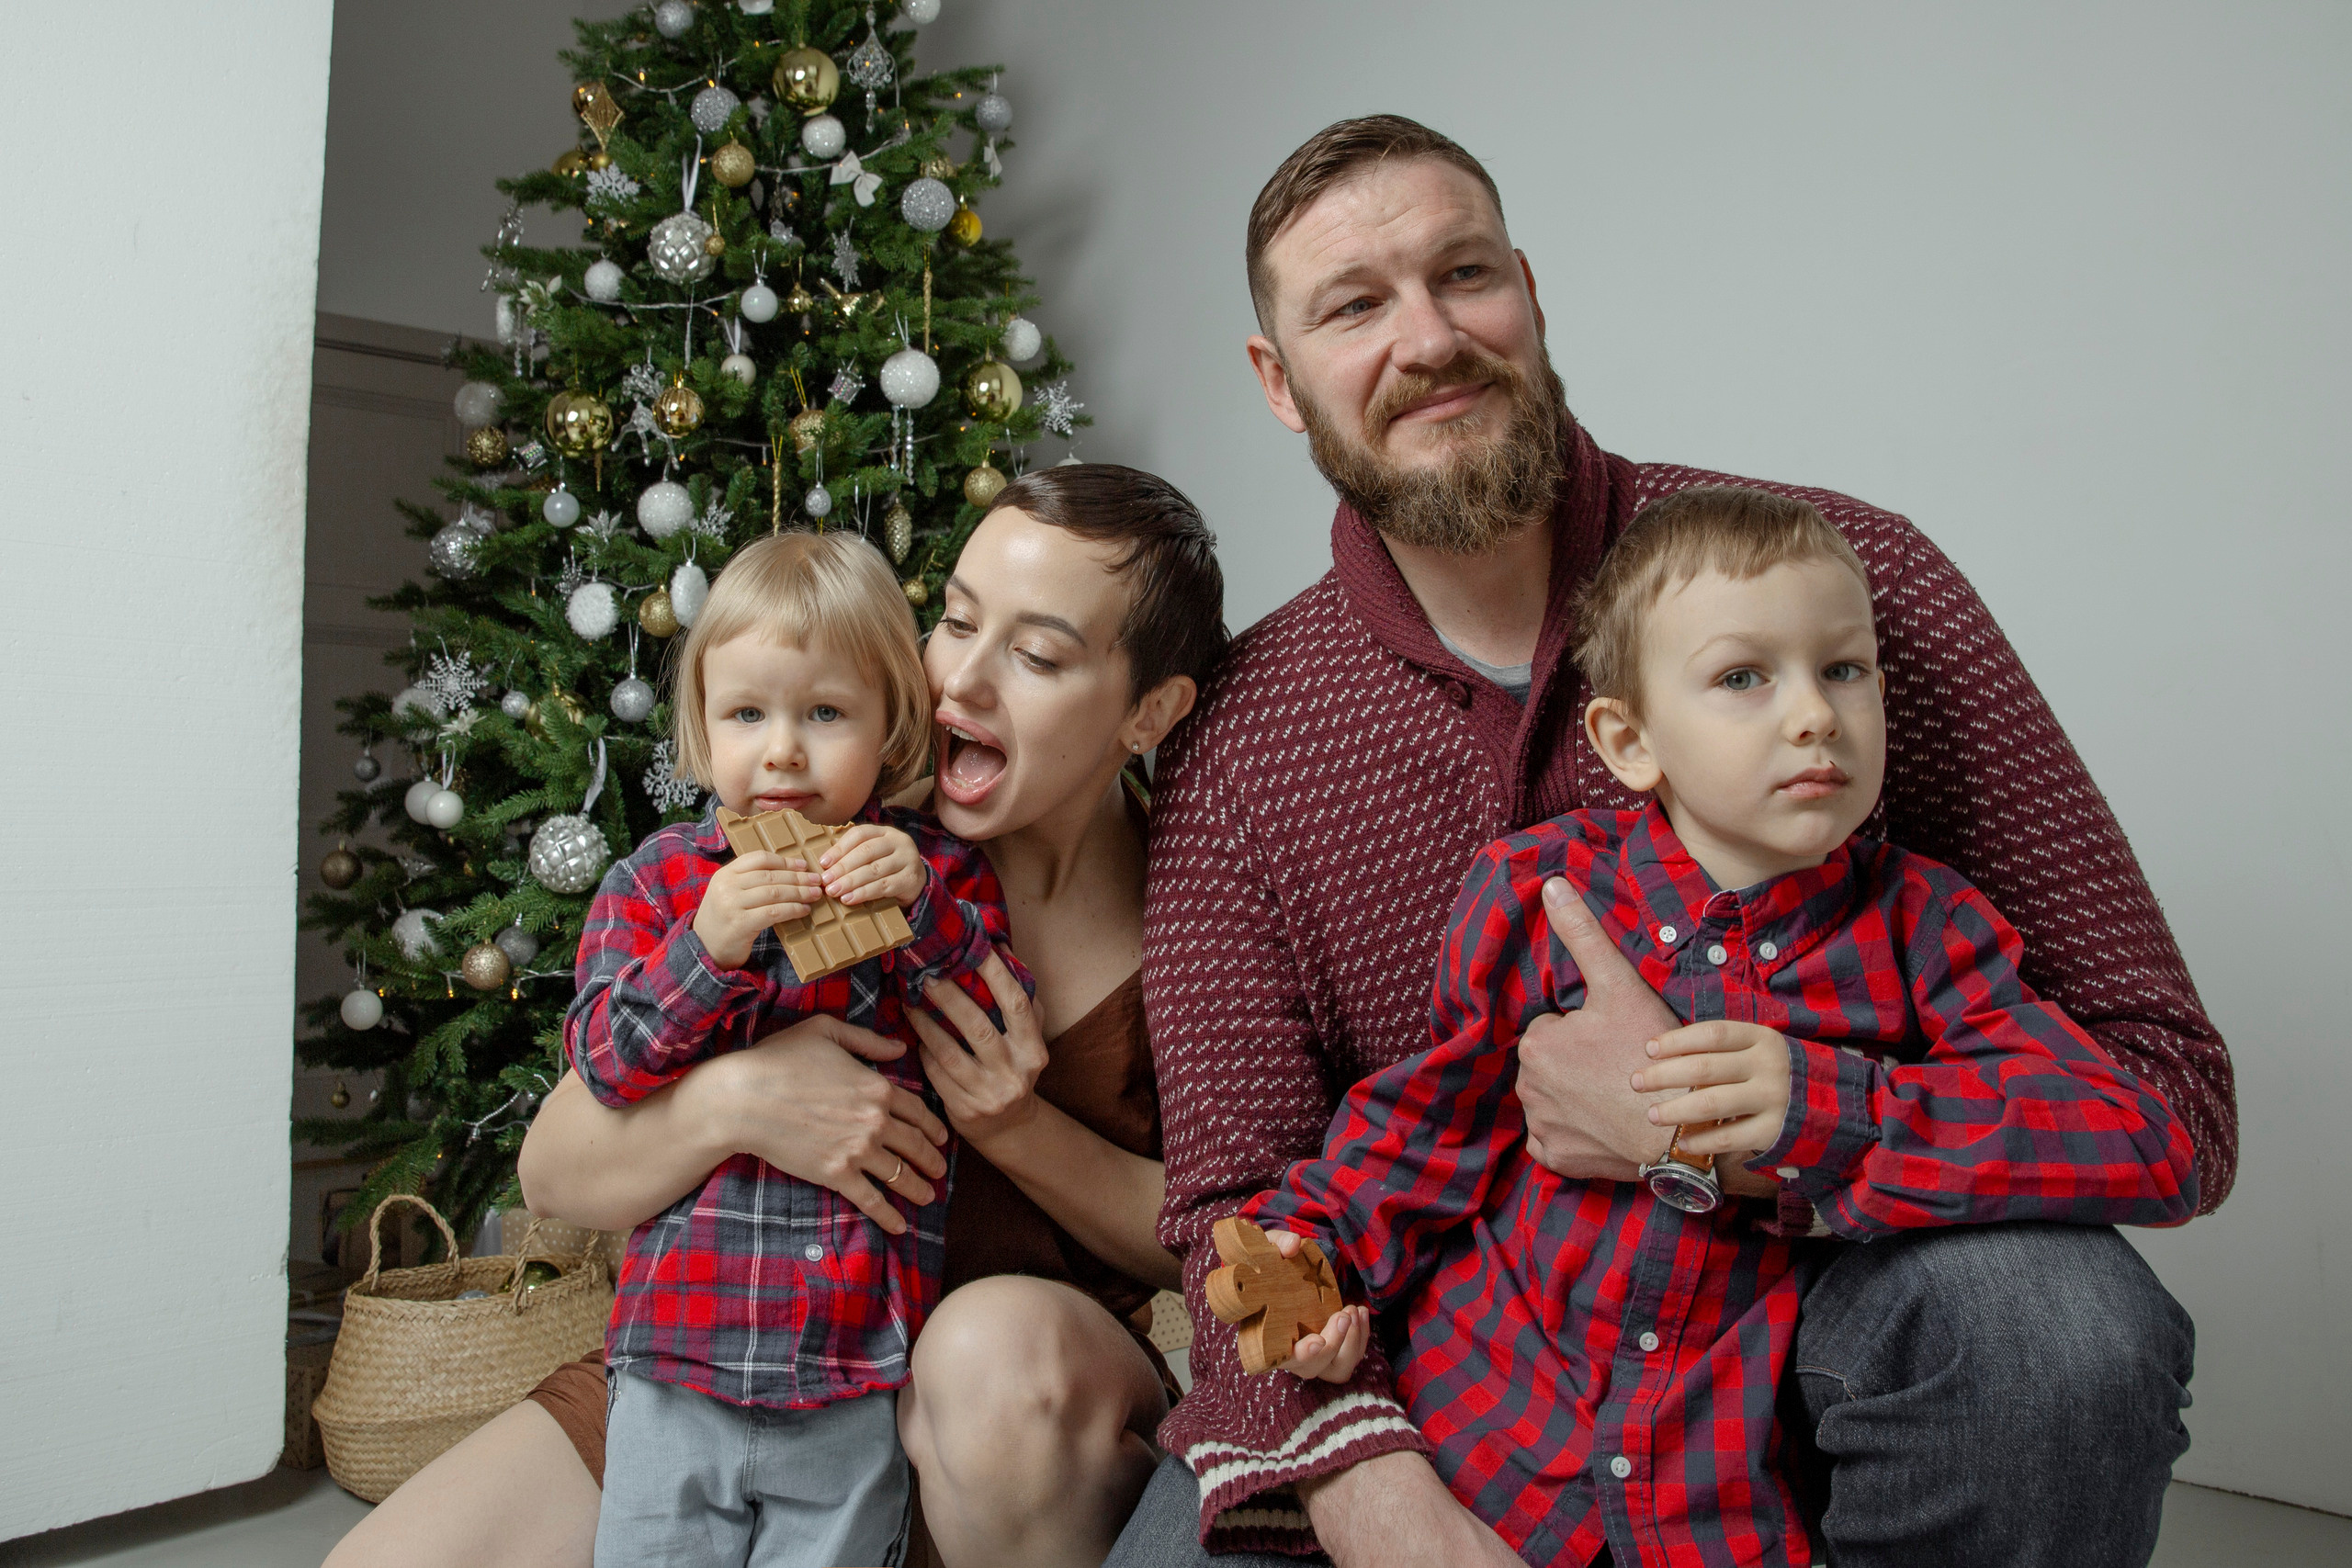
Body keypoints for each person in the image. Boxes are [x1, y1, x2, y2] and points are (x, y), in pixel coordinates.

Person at [1117, 116, 2229, 1568]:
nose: (1433, 337)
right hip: (1445, 1377)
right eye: (1354, 304)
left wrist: (1750, 1140)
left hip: (1805, 1326)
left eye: (1464, 274)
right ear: (1278, 380)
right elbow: (1239, 1208)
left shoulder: (1840, 584)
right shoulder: (1244, 744)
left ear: (1528, 286)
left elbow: (2169, 1090)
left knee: (2060, 1330)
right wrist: (1376, 1493)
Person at [1238, 486, 2199, 1567]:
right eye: (1744, 677)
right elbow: (1425, 1129)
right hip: (1496, 1433)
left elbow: (2141, 1137)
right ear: (1628, 739)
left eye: (1845, 670)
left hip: (1715, 1491)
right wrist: (1308, 1253)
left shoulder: (1927, 929)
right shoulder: (1536, 894)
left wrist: (1828, 1114)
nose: (1813, 716)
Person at [322, 465, 1228, 1568]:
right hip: (714, 1359)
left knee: (984, 1361)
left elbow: (1223, 1238)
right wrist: (740, 1101)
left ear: (1151, 710)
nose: (960, 686)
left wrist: (1013, 1130)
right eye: (952, 622)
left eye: (1034, 655)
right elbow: (556, 1174)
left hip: (1002, 1418)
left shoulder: (1203, 919)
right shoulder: (823, 813)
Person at [567, 530, 1029, 1567]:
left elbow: (998, 1028)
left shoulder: (930, 875)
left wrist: (918, 907)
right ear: (700, 728)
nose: (781, 750)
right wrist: (707, 949)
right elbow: (603, 1061)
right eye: (746, 714)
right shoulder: (656, 886)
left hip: (853, 1367)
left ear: (888, 729)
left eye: (823, 714)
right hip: (676, 1362)